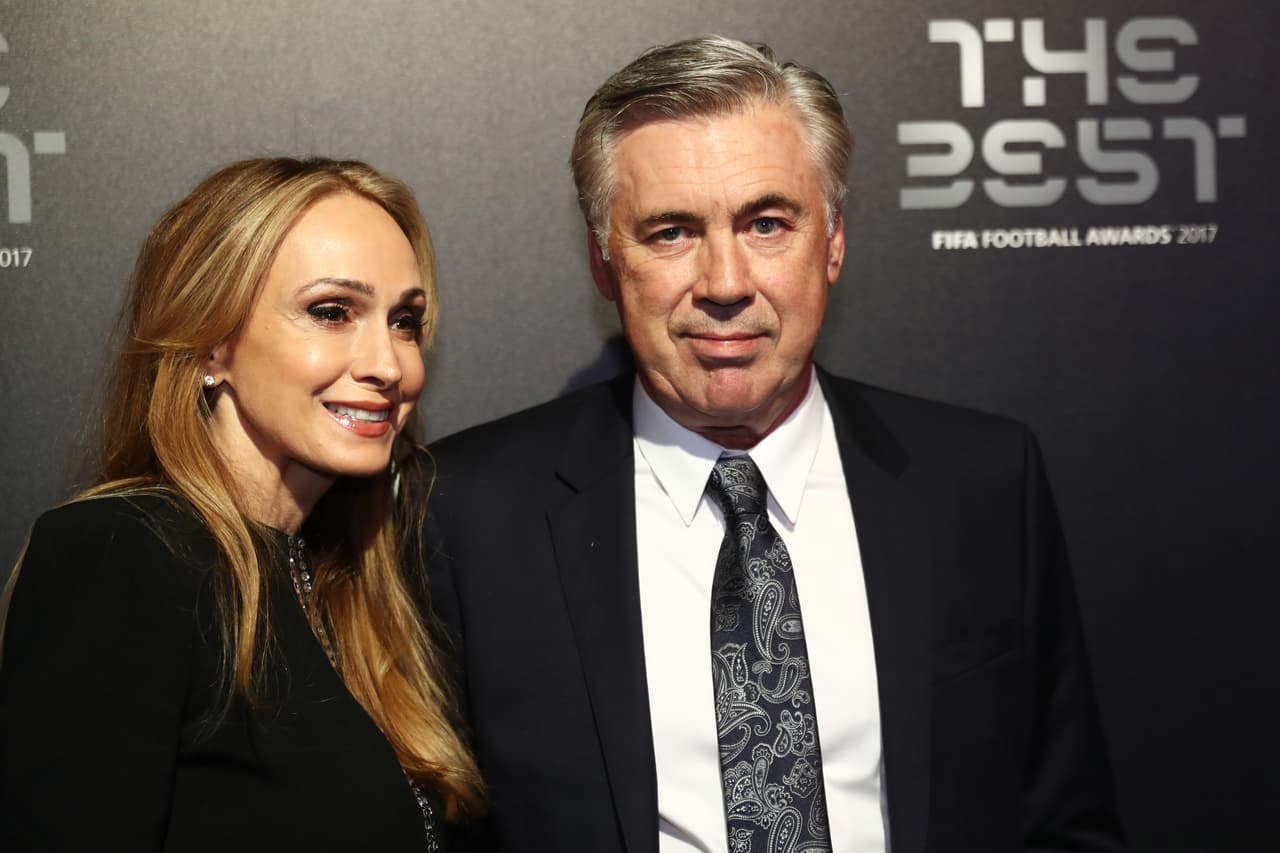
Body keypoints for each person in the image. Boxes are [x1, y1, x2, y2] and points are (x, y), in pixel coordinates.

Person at [422, 36, 1124, 853]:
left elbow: (1062, 820)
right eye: (671, 232)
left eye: (766, 223)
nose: (725, 283)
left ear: (833, 240)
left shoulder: (982, 481)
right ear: (603, 260)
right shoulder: (468, 512)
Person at [0, 157, 484, 850]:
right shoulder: (123, 555)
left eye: (404, 321)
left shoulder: (354, 577)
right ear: (211, 346)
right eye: (331, 312)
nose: (389, 364)